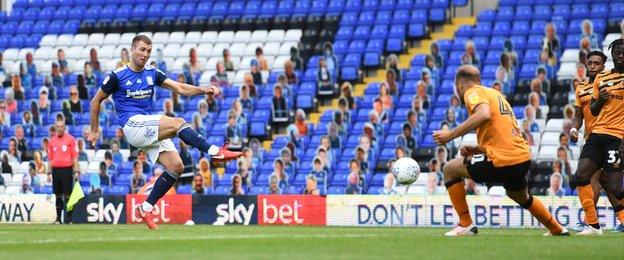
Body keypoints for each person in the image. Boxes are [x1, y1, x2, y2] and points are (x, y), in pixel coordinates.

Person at [88, 35, 241, 229]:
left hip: (147, 125)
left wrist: (204, 89)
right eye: (142, 50)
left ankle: (145, 208)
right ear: (133, 49)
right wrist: (94, 130)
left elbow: (179, 88)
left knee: (176, 166)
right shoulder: (117, 76)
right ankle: (213, 151)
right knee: (177, 122)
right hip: (132, 125)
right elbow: (95, 101)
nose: (145, 54)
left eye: (149, 51)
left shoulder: (152, 72)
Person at [433, 65, 567, 236]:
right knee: (521, 197)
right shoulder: (494, 94)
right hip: (522, 158)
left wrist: (450, 135)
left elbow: (483, 114)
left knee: (449, 170)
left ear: (459, 84)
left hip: (504, 161)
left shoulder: (471, 92)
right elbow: (502, 132)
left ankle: (465, 224)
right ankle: (557, 228)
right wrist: (478, 149)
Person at [570, 50, 624, 231]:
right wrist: (573, 129)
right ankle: (592, 222)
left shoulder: (611, 84)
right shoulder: (581, 89)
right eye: (590, 62)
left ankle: (590, 222)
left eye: (597, 63)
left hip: (613, 138)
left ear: (604, 66)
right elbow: (579, 115)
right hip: (592, 139)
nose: (593, 66)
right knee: (599, 182)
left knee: (609, 185)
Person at [47, 117, 80, 224]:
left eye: (62, 127)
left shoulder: (71, 139)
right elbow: (50, 159)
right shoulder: (52, 141)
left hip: (67, 170)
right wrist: (48, 172)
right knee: (57, 195)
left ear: (64, 127)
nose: (60, 128)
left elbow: (74, 157)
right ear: (55, 128)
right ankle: (58, 218)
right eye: (58, 127)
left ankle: (69, 219)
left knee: (68, 195)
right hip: (56, 171)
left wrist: (76, 172)